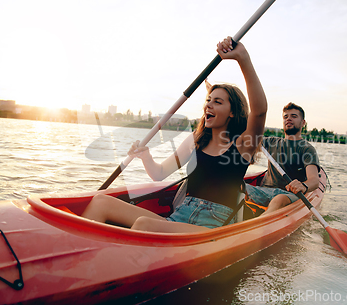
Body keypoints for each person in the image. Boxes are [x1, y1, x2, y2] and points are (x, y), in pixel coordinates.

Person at [82, 36, 267, 233]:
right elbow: (159, 173)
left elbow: (260, 111)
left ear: (233, 112)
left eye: (218, 102)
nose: (209, 105)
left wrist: (242, 58)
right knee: (100, 202)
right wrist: (146, 156)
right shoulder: (196, 140)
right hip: (179, 218)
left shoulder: (243, 144)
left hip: (213, 228)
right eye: (208, 100)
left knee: (144, 225)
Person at [245, 102, 320, 214]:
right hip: (264, 190)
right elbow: (248, 137)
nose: (288, 119)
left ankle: (259, 225)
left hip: (289, 194)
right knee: (236, 186)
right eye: (286, 116)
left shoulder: (307, 149)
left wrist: (303, 186)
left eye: (294, 116)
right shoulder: (270, 142)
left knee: (279, 199)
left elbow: (314, 180)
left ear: (303, 122)